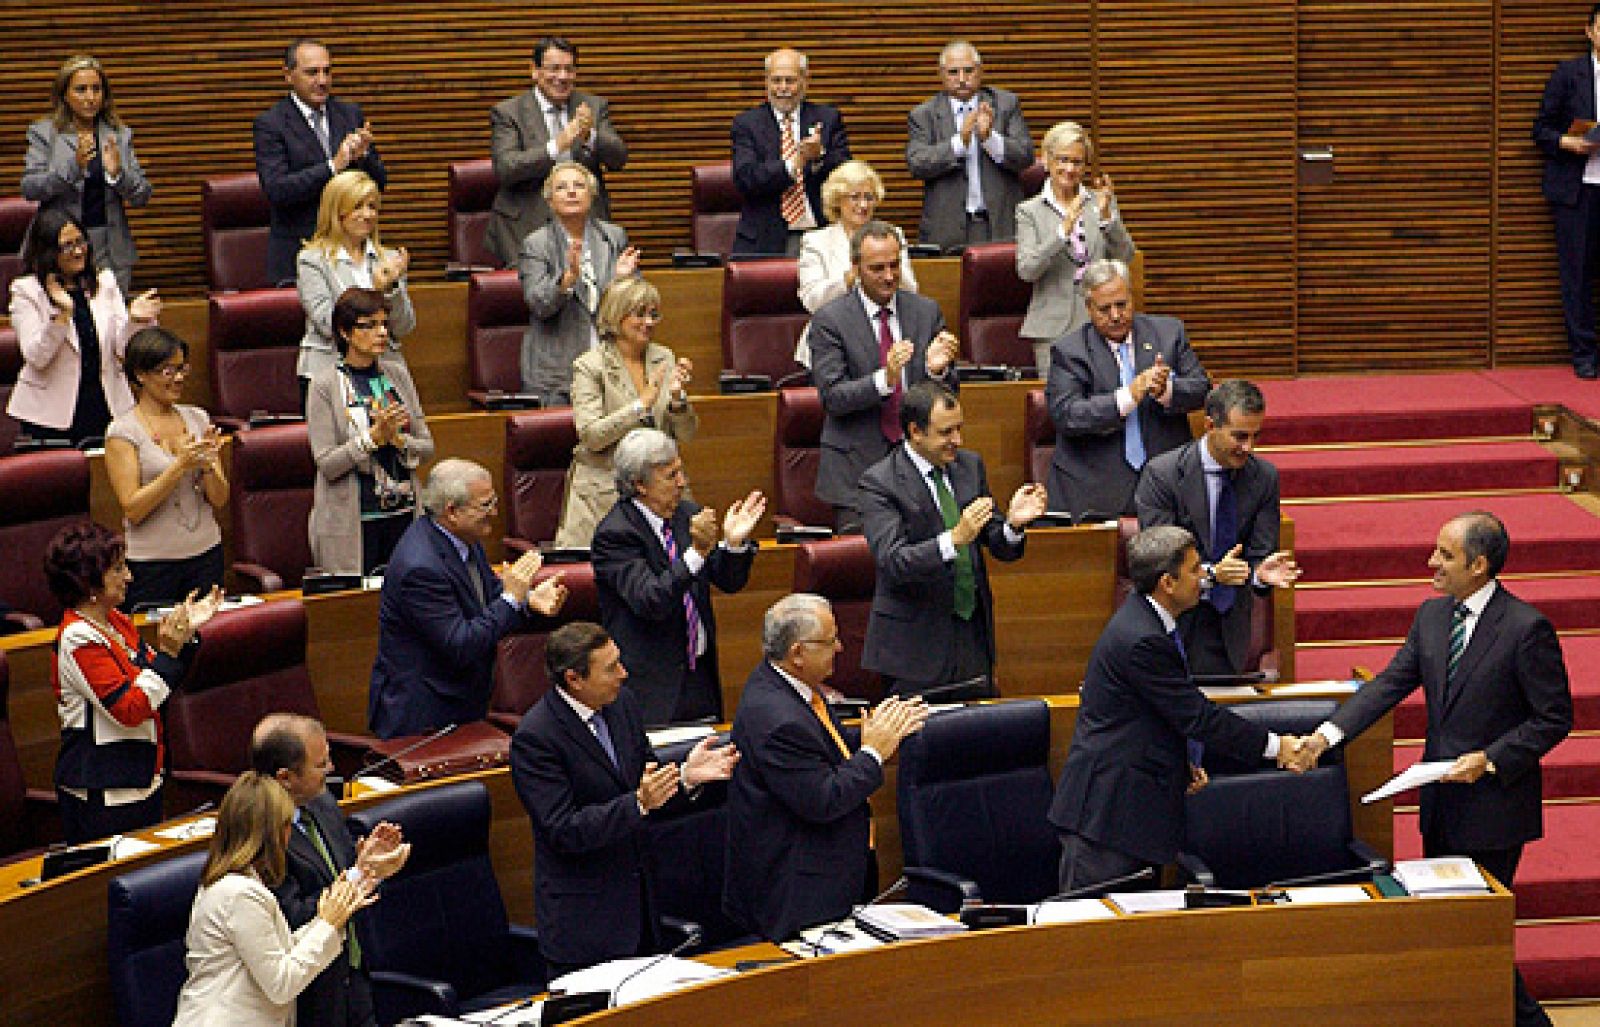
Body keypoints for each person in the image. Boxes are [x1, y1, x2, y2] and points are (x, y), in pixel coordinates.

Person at [1290, 511, 1572, 1027]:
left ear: (1479, 565)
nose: (1431, 562)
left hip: (1494, 809)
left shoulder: (1526, 628)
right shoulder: (1432, 616)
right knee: (1452, 926)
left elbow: (1554, 718)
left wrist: (1489, 760)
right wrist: (1325, 737)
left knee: (1472, 931)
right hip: (1439, 802)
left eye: (1445, 554)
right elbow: (1387, 685)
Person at [1048, 526, 1305, 894]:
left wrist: (1183, 760)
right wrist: (1276, 747)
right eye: (1196, 569)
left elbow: (1151, 715)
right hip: (1106, 818)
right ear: (1167, 582)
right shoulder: (1143, 639)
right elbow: (1197, 716)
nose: (1204, 577)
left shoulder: (1150, 622)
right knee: (1094, 941)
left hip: (1130, 809)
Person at [509, 622, 739, 976]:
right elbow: (563, 830)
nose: (624, 673)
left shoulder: (622, 706)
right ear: (574, 679)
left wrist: (683, 776)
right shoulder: (536, 738)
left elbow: (645, 781)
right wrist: (638, 804)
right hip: (585, 922)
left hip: (640, 909)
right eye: (611, 668)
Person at [724, 593, 929, 941]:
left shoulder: (795, 690)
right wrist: (872, 753)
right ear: (797, 653)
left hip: (829, 875)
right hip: (799, 894)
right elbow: (823, 799)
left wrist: (870, 740)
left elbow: (823, 758)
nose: (839, 647)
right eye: (829, 640)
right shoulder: (777, 719)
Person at [859, 383, 1045, 696]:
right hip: (914, 646)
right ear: (916, 432)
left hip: (971, 633)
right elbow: (894, 561)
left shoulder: (969, 467)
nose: (957, 441)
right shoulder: (880, 483)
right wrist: (954, 539)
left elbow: (996, 541)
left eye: (959, 429)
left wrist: (1013, 525)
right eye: (946, 432)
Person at [44, 521, 221, 843]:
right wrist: (169, 651)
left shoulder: (117, 622)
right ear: (89, 583)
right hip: (104, 788)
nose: (130, 577)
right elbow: (130, 708)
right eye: (118, 569)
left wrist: (185, 636)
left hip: (141, 776)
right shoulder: (78, 637)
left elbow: (160, 685)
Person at [368, 458, 569, 738]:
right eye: (485, 505)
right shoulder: (420, 568)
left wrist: (529, 599)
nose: (495, 513)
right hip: (424, 717)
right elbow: (460, 644)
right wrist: (512, 599)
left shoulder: (465, 540)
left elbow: (488, 597)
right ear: (452, 511)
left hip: (461, 702)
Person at [172, 772, 374, 1027]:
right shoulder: (237, 893)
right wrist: (327, 924)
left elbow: (282, 952)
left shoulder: (241, 883)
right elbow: (282, 983)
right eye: (287, 824)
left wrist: (333, 914)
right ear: (272, 832)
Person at [591, 429, 764, 725]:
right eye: (671, 476)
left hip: (700, 676)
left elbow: (728, 581)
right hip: (652, 688)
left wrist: (733, 545)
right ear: (639, 485)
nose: (682, 483)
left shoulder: (687, 515)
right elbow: (651, 600)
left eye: (680, 471)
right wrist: (697, 552)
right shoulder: (615, 535)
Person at [251, 714, 410, 1027]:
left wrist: (372, 868)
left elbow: (348, 878)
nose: (332, 769)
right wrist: (358, 874)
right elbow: (291, 919)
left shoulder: (322, 803)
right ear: (285, 778)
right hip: (310, 996)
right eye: (320, 764)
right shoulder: (261, 838)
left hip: (353, 978)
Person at [1135, 380, 1300, 677]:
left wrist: (1260, 575)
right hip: (1174, 619)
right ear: (1210, 426)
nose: (1248, 448)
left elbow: (1259, 555)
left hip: (1228, 626)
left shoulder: (1263, 477)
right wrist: (1211, 574)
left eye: (1255, 436)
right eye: (1239, 436)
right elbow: (1158, 560)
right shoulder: (1163, 475)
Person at [809, 220, 961, 530]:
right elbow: (833, 397)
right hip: (856, 473)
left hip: (919, 463)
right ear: (856, 267)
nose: (889, 276)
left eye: (895, 265)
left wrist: (935, 372)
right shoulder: (830, 321)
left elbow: (949, 397)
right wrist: (885, 379)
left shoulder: (925, 311)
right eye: (877, 268)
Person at [1045, 257, 1208, 519]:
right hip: (1096, 486)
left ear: (1132, 298)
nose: (1116, 316)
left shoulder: (1168, 333)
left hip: (1166, 481)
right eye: (1104, 309)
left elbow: (1201, 388)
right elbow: (1067, 414)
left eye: (1122, 305)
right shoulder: (1070, 352)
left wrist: (1166, 391)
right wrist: (1128, 396)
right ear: (1088, 308)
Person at [556, 277, 694, 548]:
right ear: (616, 317)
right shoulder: (590, 366)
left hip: (660, 492)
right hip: (603, 493)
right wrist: (638, 406)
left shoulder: (663, 358)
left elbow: (686, 434)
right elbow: (592, 436)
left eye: (654, 314)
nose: (649, 322)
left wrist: (677, 400)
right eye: (639, 314)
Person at [307, 288, 433, 576]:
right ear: (345, 332)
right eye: (370, 325)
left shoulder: (397, 374)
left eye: (384, 324)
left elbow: (427, 447)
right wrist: (372, 439)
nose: (382, 333)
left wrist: (398, 439)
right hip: (354, 520)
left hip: (404, 514)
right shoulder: (324, 385)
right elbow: (327, 463)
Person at [7, 208, 160, 446]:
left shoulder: (104, 282)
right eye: (67, 245)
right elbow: (37, 357)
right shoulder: (26, 291)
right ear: (48, 251)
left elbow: (122, 352)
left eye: (81, 242)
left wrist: (135, 321)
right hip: (51, 414)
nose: (78, 251)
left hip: (106, 402)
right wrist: (62, 316)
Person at [104, 328, 228, 610]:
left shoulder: (197, 418)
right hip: (152, 566)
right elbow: (133, 509)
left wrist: (209, 463)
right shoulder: (123, 432)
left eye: (182, 367)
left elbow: (220, 499)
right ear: (140, 375)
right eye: (167, 371)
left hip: (206, 555)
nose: (180, 377)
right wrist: (180, 466)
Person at [485, 36, 628, 269]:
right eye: (554, 69)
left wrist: (589, 136)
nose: (562, 77)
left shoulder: (592, 106)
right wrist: (558, 144)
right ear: (534, 71)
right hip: (526, 225)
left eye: (569, 69)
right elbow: (506, 168)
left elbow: (619, 158)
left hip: (587, 225)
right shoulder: (509, 112)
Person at [255, 39, 386, 286]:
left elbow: (379, 184)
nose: (322, 80)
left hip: (351, 250)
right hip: (297, 252)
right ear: (288, 75)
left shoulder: (349, 114)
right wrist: (332, 166)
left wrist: (365, 156)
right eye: (312, 72)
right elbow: (277, 190)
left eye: (327, 71)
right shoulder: (271, 124)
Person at [22, 54, 151, 298]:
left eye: (96, 89)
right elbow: (30, 188)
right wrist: (73, 167)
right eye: (81, 90)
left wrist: (118, 175)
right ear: (65, 95)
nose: (90, 98)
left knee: (111, 329)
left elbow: (142, 195)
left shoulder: (119, 135)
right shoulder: (45, 134)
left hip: (110, 247)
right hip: (61, 247)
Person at [1017, 122, 1137, 378]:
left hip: (1102, 323)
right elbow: (1027, 269)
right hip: (1052, 329)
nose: (1070, 169)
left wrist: (1107, 220)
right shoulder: (1029, 211)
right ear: (1047, 160)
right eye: (1063, 160)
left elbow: (1124, 257)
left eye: (1078, 162)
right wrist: (1062, 231)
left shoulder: (1100, 200)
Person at [517, 161, 640, 406]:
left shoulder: (613, 237)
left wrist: (621, 281)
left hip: (610, 365)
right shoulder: (537, 244)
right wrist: (567, 281)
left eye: (579, 186)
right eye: (562, 187)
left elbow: (639, 303)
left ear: (591, 195)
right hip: (555, 373)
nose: (572, 191)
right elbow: (538, 303)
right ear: (550, 201)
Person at [295, 170, 414, 401]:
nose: (367, 214)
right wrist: (375, 291)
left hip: (382, 371)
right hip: (329, 371)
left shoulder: (388, 259)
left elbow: (403, 326)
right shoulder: (312, 260)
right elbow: (327, 323)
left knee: (393, 435)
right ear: (336, 210)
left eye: (372, 207)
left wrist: (390, 290)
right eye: (357, 206)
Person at [905, 40, 1033, 251]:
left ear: (980, 71)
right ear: (941, 74)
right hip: (947, 227)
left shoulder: (1005, 105)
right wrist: (959, 142)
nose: (962, 79)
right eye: (953, 72)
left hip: (1000, 223)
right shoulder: (923, 115)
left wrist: (990, 139)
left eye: (968, 71)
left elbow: (1025, 155)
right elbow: (917, 163)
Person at [794, 160, 919, 367]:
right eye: (855, 197)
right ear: (837, 201)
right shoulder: (815, 241)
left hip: (884, 338)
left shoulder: (893, 235)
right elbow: (811, 300)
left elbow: (910, 289)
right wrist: (847, 280)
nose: (863, 205)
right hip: (831, 344)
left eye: (869, 197)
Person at [1532, 4, 1600, 379]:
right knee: (1577, 274)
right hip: (1578, 189)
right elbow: (1540, 129)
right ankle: (1585, 353)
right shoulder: (1568, 74)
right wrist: (1567, 142)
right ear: (1589, 31)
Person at [731, 47, 851, 256]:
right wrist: (792, 165)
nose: (783, 88)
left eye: (790, 80)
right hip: (764, 238)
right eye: (776, 81)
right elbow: (746, 177)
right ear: (766, 82)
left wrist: (819, 156)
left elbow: (846, 174)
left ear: (805, 80)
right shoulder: (747, 124)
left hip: (820, 231)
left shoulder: (828, 119)